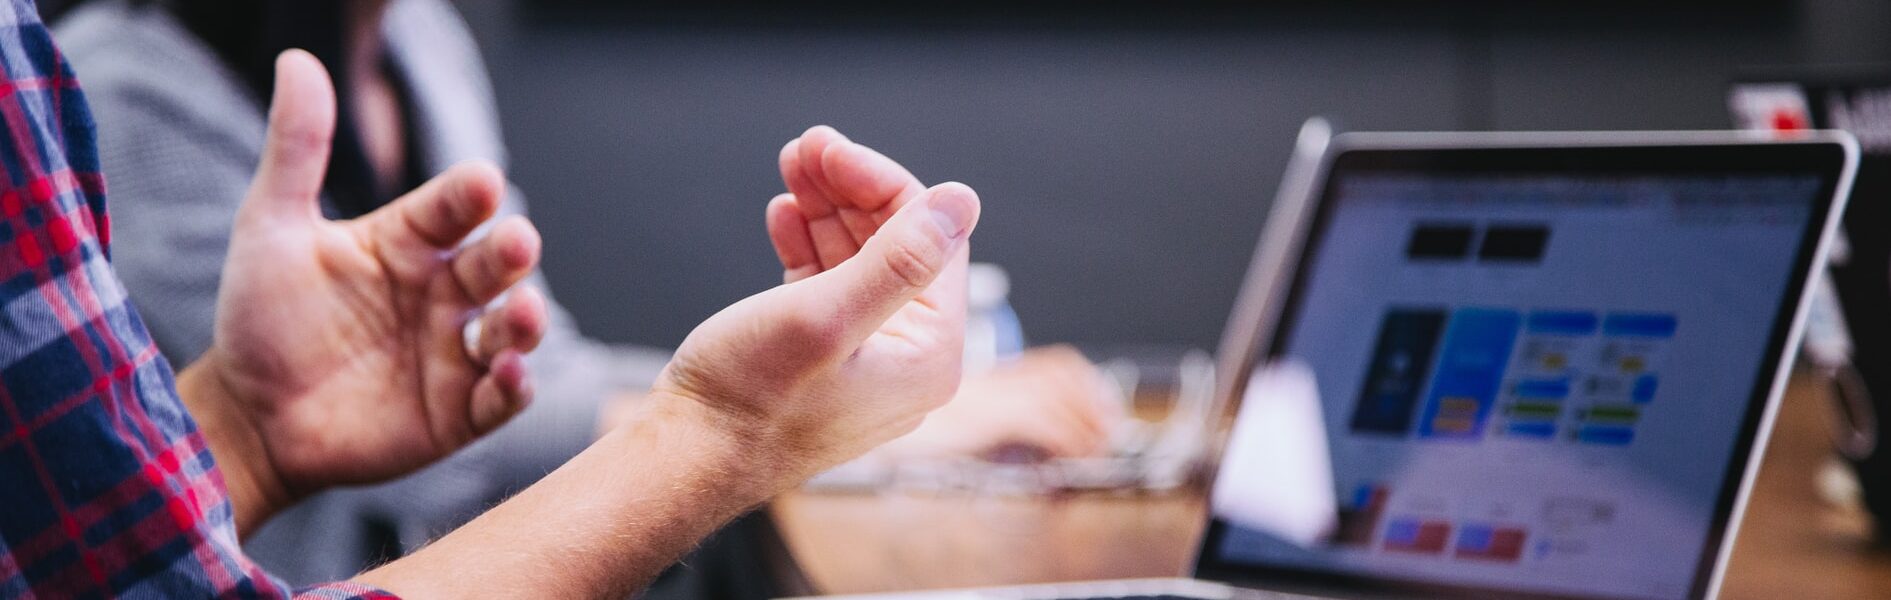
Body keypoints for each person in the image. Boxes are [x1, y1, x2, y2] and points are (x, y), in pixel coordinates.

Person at [54, 0, 1116, 586]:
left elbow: (514, 375)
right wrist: (782, 418)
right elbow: (456, 452)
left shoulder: (419, 39)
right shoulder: (122, 88)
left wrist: (805, 398)